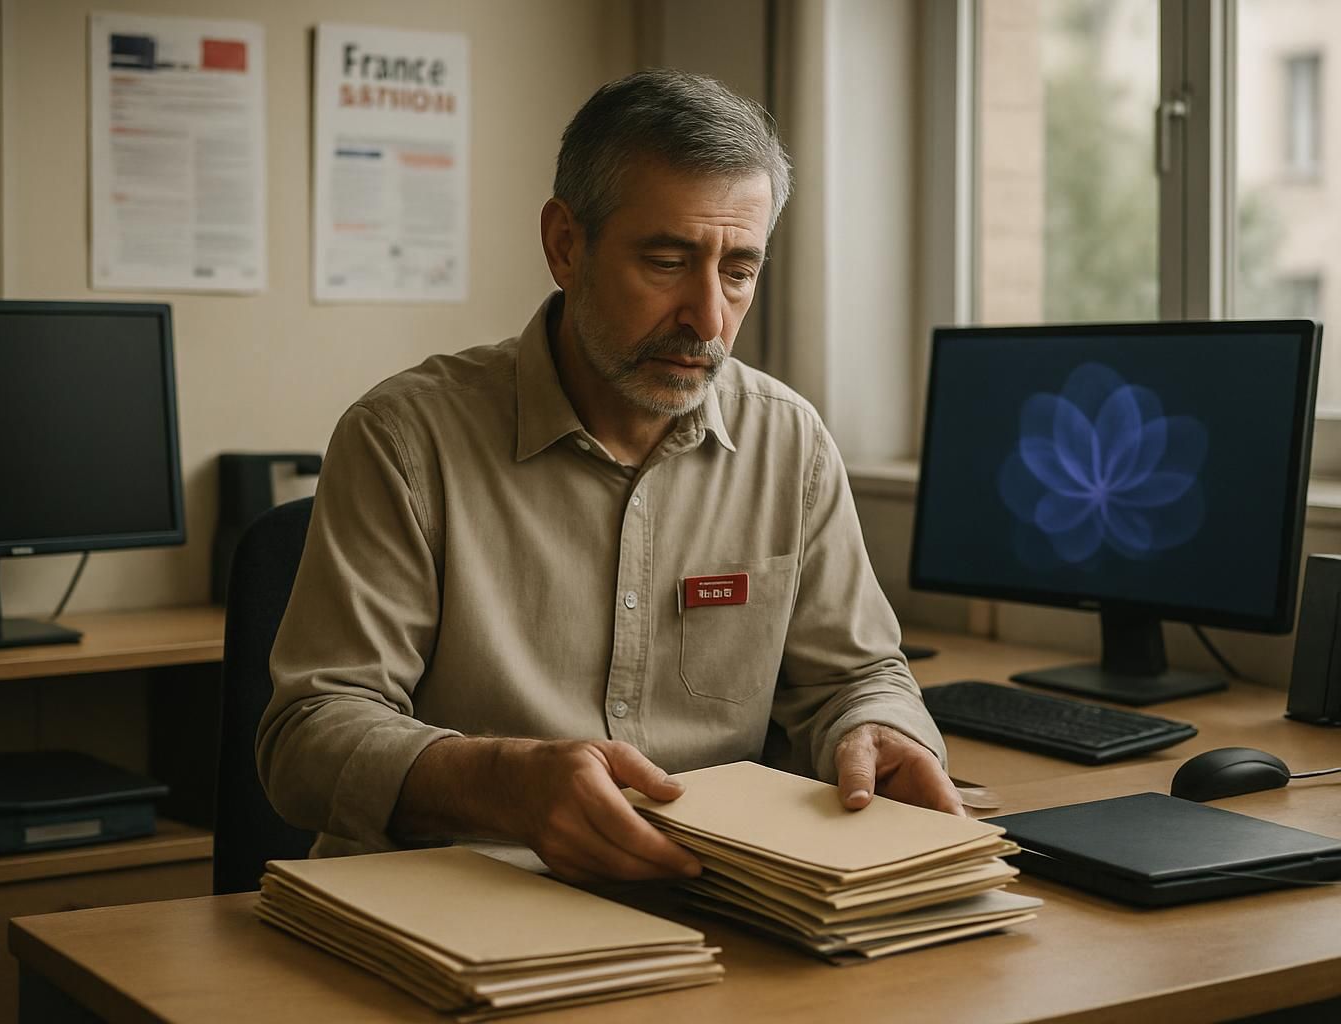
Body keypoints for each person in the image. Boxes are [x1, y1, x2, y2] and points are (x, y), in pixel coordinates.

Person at [258, 68, 962, 884]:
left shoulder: (789, 444)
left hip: (712, 903)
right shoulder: (406, 440)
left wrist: (878, 731)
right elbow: (307, 735)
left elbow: (858, 675)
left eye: (738, 270)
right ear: (566, 245)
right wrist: (500, 785)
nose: (708, 317)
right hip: (455, 900)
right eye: (666, 262)